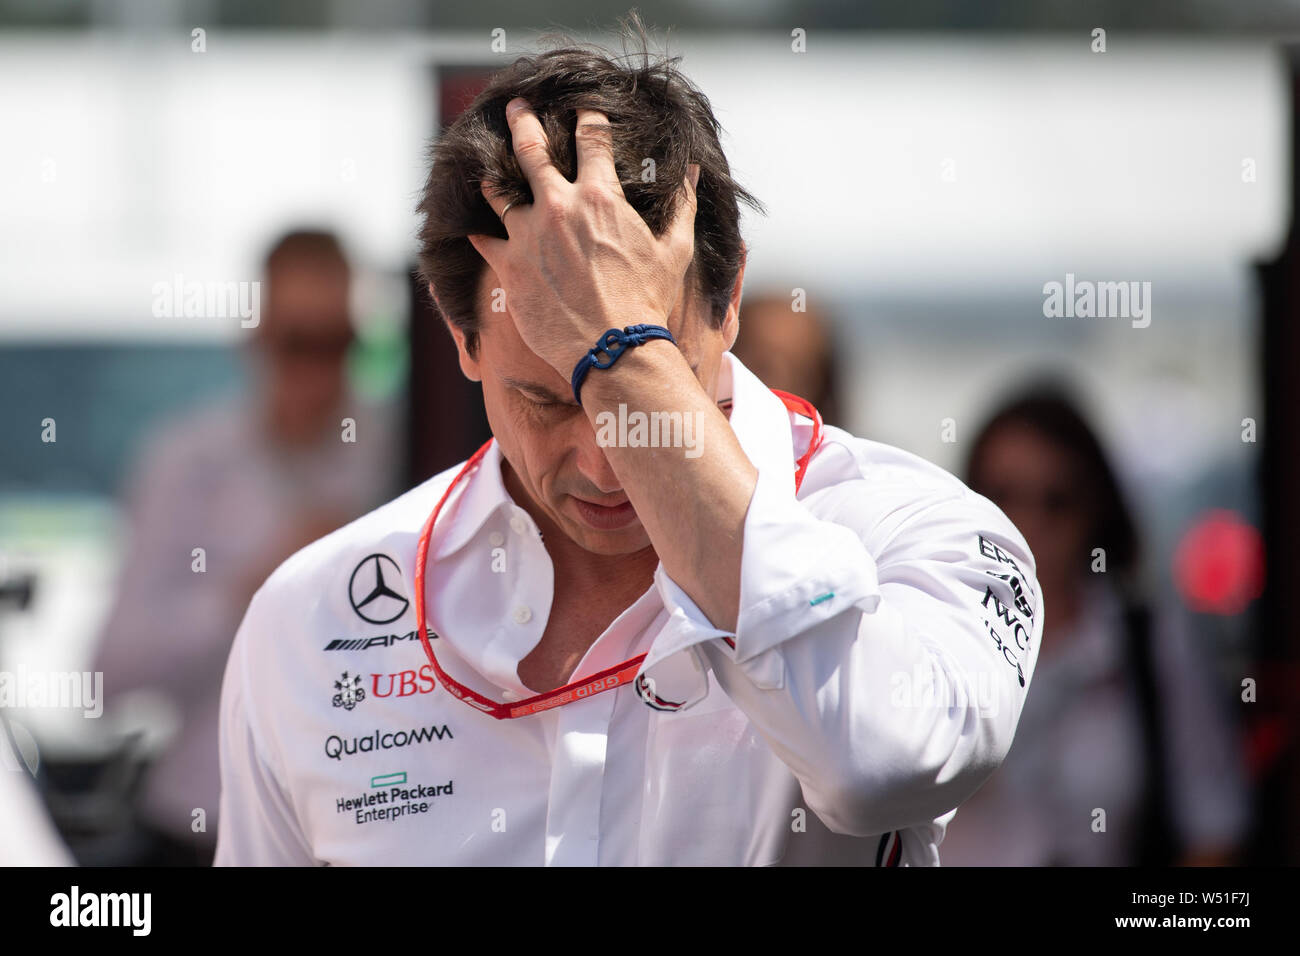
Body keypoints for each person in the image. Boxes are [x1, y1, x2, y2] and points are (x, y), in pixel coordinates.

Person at [215, 20, 1042, 867]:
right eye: (546, 397)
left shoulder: (920, 532)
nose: (606, 460)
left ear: (729, 303)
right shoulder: (310, 617)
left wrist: (617, 345)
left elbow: (876, 765)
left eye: (659, 372)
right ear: (460, 339)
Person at [94, 229, 396, 865]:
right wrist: (253, 590)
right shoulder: (188, 463)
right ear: (254, 338)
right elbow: (108, 674)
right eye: (298, 345)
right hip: (202, 824)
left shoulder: (396, 454)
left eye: (336, 345)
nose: (319, 372)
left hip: (359, 826)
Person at [937, 383, 1250, 866]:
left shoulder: (1151, 641)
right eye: (1002, 496)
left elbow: (1212, 823)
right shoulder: (933, 633)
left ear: (1095, 509)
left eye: (1055, 500)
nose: (1026, 522)